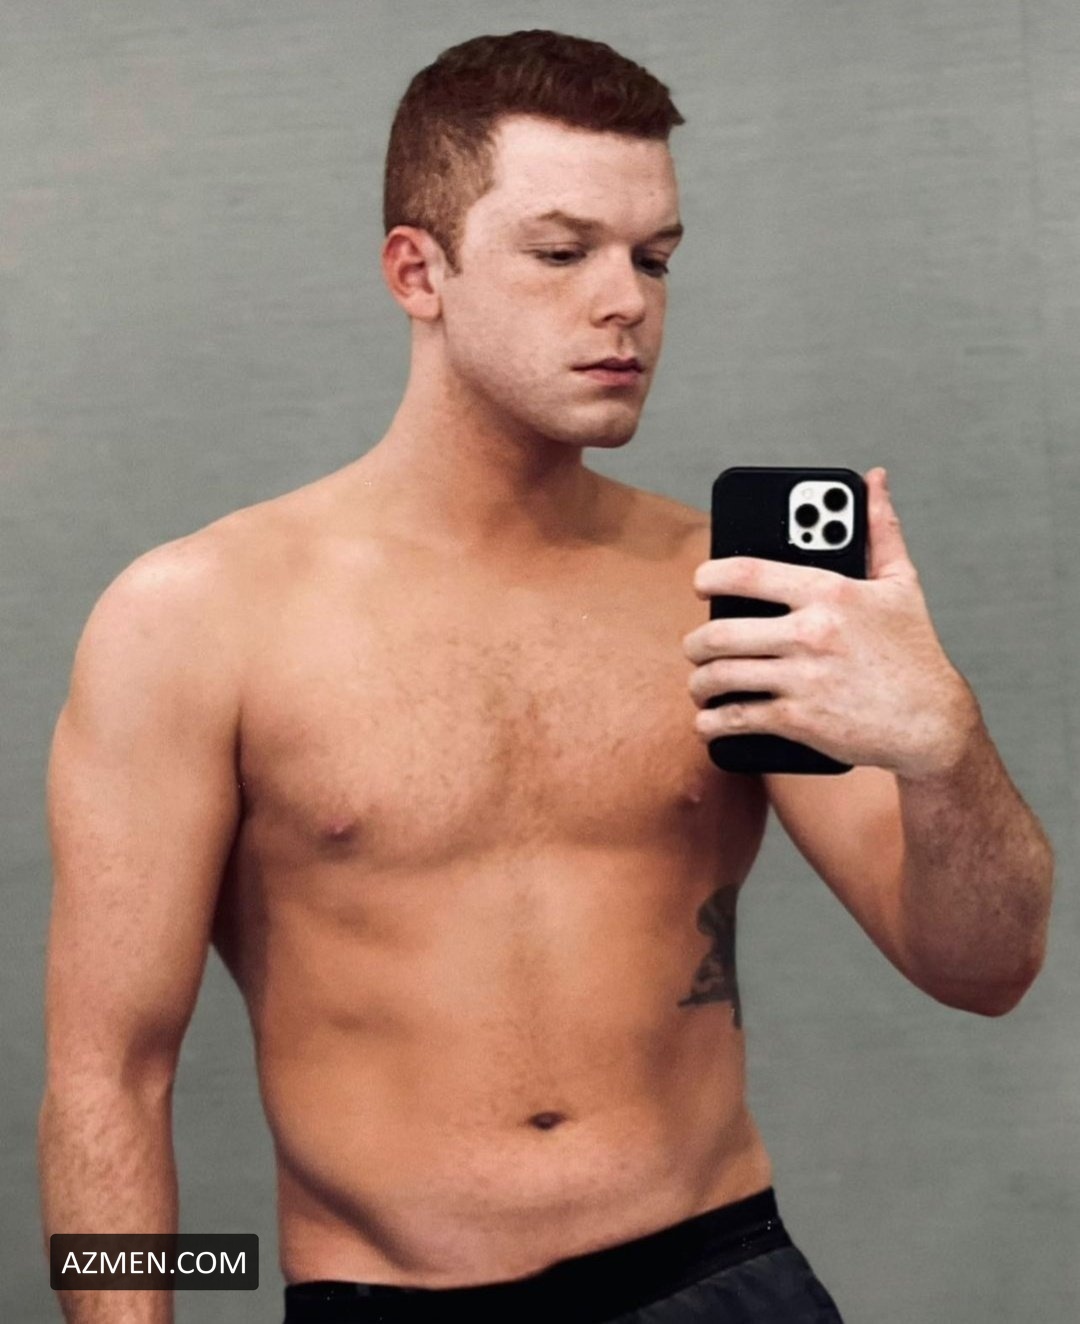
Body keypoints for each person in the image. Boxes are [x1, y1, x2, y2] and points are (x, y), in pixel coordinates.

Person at [39, 29, 1054, 1324]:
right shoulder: (197, 618)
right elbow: (109, 1078)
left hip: (721, 1277)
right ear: (419, 269)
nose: (625, 301)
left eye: (654, 257)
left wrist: (946, 747)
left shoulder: (728, 588)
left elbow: (985, 969)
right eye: (564, 253)